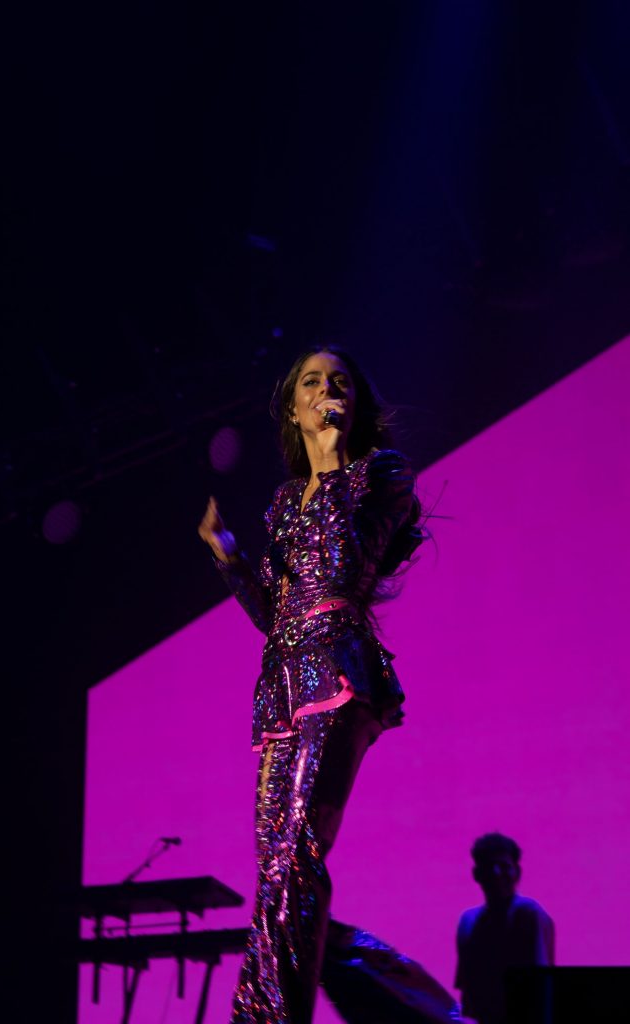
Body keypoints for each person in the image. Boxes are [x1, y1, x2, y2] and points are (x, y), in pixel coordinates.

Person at [198, 346, 423, 1024]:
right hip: (282, 683)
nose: (328, 390)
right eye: (313, 382)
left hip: (339, 670)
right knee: (276, 864)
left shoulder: (379, 474)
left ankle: (266, 1015)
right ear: (294, 409)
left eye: (340, 382)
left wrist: (330, 466)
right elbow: (275, 614)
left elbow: (344, 564)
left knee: (298, 847)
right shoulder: (281, 503)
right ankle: (321, 995)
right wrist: (230, 559)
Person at [455, 833, 555, 1024]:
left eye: (504, 866)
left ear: (517, 871)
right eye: (488, 866)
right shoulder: (467, 922)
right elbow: (468, 989)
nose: (496, 872)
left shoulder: (528, 914)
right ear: (476, 874)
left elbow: (540, 985)